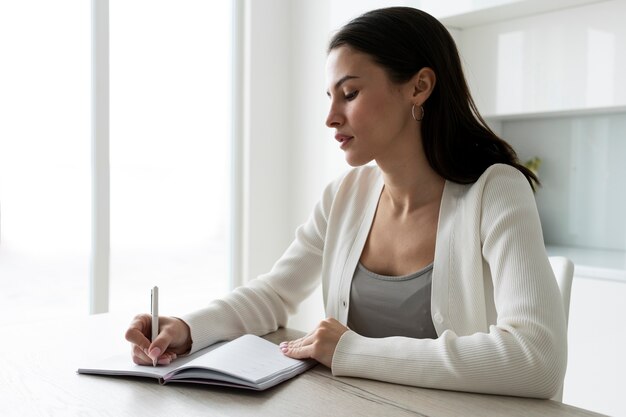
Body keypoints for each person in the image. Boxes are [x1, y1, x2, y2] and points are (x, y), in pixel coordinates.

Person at [125, 7, 566, 399]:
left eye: (350, 93)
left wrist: (350, 350)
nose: (331, 116)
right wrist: (185, 330)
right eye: (330, 97)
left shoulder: (496, 191)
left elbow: (536, 358)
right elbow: (275, 293)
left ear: (420, 86)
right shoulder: (346, 195)